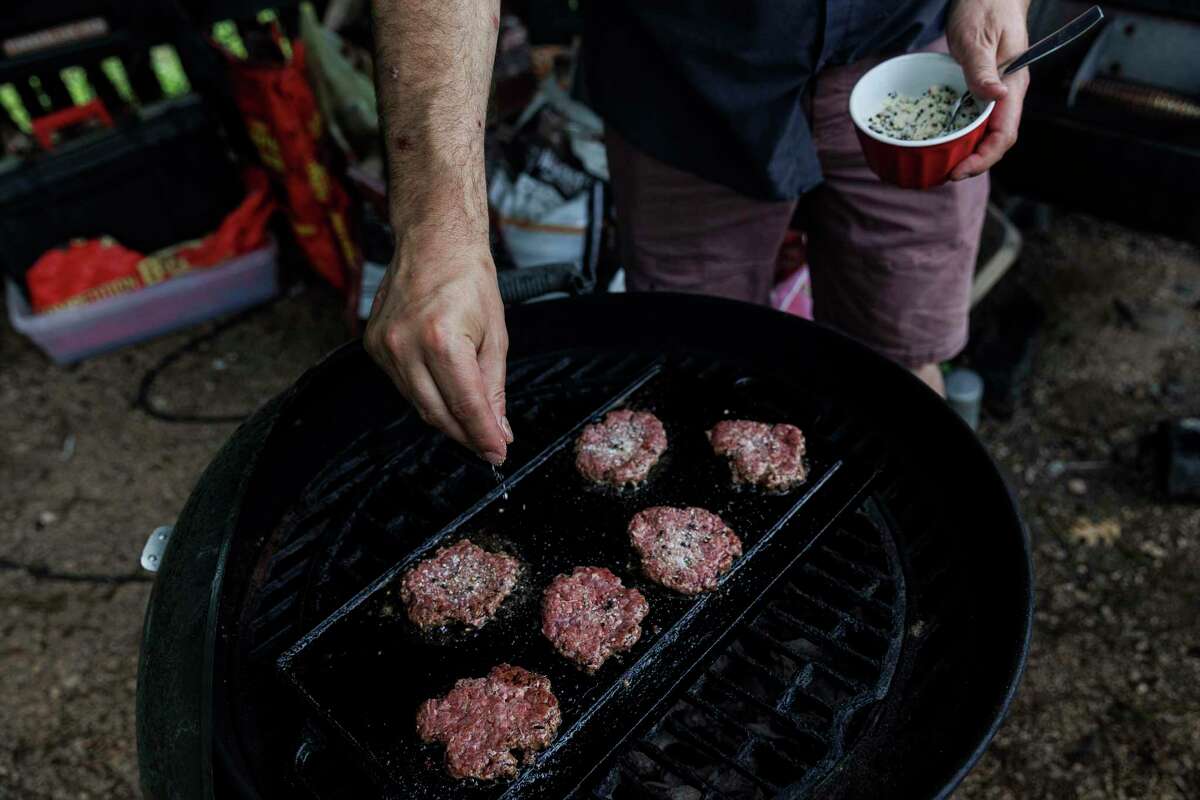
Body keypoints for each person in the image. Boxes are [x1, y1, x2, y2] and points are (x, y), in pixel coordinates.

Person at [365, 0, 1031, 466]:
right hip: (682, 77)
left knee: (901, 357)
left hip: (916, 56)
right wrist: (438, 232)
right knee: (703, 369)